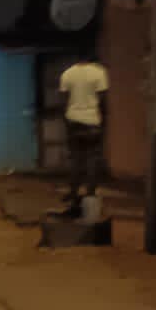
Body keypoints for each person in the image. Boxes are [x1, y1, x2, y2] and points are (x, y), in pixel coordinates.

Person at [59, 50, 110, 204]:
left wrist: (67, 119)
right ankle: (90, 194)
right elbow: (102, 99)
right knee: (92, 159)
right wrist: (103, 119)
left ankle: (73, 192)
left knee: (75, 158)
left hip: (73, 120)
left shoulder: (67, 74)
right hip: (92, 121)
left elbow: (64, 100)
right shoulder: (99, 72)